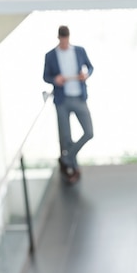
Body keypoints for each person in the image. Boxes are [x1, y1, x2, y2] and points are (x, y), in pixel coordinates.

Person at [43, 25, 94, 184]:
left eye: (67, 40)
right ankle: (71, 168)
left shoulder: (79, 51)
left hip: (79, 98)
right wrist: (55, 80)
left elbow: (90, 67)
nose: (65, 43)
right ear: (59, 38)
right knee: (65, 138)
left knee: (88, 132)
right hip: (62, 100)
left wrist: (85, 75)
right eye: (62, 41)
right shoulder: (50, 55)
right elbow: (46, 76)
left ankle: (66, 158)